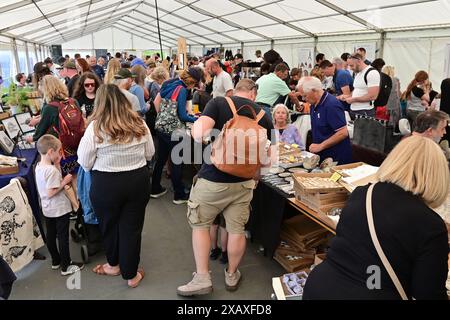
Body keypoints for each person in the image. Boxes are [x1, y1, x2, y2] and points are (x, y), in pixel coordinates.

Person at [303, 135, 450, 300]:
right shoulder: (431, 225)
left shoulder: (362, 193)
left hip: (320, 286)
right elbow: (428, 293)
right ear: (438, 175)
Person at [177, 79, 274, 297]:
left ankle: (202, 277)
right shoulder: (264, 116)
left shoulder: (218, 103)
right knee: (236, 230)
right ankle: (232, 274)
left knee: (201, 224)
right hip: (244, 184)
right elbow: (268, 160)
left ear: (236, 90)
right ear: (253, 93)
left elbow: (199, 133)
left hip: (213, 179)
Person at [77, 84, 154, 288]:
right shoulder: (139, 123)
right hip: (137, 180)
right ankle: (131, 275)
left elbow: (84, 162)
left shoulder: (95, 127)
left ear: (99, 103)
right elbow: (150, 154)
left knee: (109, 225)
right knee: (131, 228)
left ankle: (113, 265)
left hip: (106, 183)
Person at [150, 68, 204, 204]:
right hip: (174, 131)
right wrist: (198, 119)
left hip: (162, 127)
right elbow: (182, 115)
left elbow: (157, 102)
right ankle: (179, 194)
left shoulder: (169, 83)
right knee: (176, 162)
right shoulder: (182, 90)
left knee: (161, 159)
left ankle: (154, 188)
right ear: (193, 81)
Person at [35, 135, 84, 276]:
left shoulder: (40, 166)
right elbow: (51, 192)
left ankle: (56, 261)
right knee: (63, 236)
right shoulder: (50, 171)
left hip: (47, 208)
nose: (59, 154)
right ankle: (66, 265)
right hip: (59, 208)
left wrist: (57, 165)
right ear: (50, 152)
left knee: (51, 234)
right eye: (58, 151)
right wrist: (65, 181)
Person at [27, 75, 81, 177]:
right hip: (77, 145)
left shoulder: (49, 107)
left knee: (65, 179)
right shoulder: (73, 102)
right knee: (76, 176)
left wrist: (31, 138)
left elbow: (40, 132)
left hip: (60, 149)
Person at [297, 77, 352, 164]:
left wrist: (321, 146)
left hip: (336, 158)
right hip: (323, 157)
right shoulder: (313, 105)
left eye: (305, 95)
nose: (303, 99)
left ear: (314, 90)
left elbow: (343, 132)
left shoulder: (331, 105)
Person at [345, 53, 380, 118]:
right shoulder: (357, 73)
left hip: (364, 111)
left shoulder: (372, 73)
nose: (350, 68)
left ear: (359, 61)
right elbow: (357, 89)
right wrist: (348, 96)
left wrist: (354, 99)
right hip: (354, 110)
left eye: (352, 65)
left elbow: (372, 96)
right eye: (349, 66)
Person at [383, 66, 401, 130]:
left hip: (384, 104)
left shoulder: (382, 80)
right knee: (392, 123)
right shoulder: (396, 80)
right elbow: (398, 93)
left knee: (383, 122)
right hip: (394, 104)